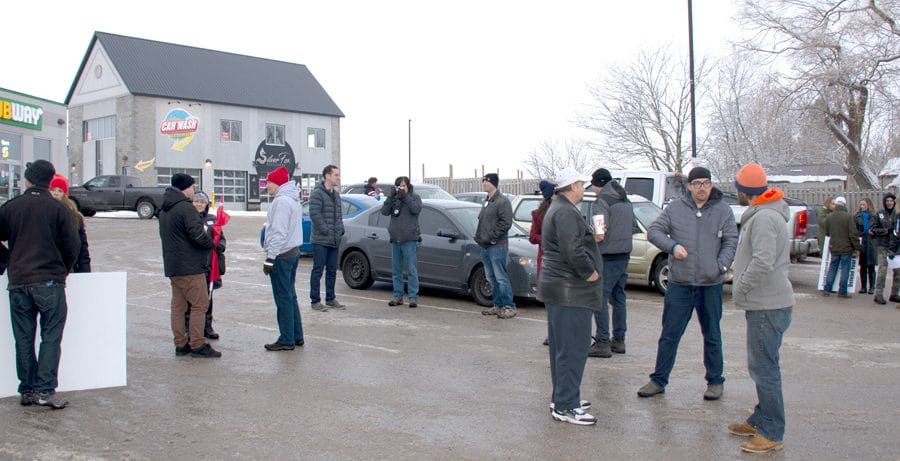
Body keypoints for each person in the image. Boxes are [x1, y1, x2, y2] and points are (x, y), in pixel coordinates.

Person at [639, 166, 738, 401]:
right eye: (696, 184)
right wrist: (672, 247)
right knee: (669, 334)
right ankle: (658, 380)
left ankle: (715, 381)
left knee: (712, 334)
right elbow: (654, 231)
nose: (701, 188)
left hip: (710, 284)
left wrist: (720, 266)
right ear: (689, 187)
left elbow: (731, 241)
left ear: (711, 185)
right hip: (680, 283)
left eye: (705, 183)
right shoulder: (675, 208)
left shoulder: (723, 210)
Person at [0, 160, 81, 409]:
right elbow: (73, 246)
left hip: (19, 282)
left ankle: (28, 390)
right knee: (50, 337)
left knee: (23, 339)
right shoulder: (58, 210)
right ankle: (45, 390)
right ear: (49, 182)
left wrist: (7, 261)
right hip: (49, 282)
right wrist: (62, 270)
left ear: (27, 180)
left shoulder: (10, 207)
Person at [727, 163, 793, 454]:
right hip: (766, 303)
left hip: (768, 304)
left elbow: (763, 261)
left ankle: (771, 431)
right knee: (763, 365)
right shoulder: (766, 212)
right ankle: (761, 418)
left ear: (745, 191)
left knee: (765, 369)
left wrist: (740, 286)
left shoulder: (765, 217)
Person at [540, 168, 602, 426]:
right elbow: (571, 248)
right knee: (573, 350)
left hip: (560, 289)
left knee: (562, 348)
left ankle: (563, 397)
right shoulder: (565, 211)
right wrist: (589, 272)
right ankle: (566, 405)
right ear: (573, 186)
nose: (584, 188)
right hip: (570, 290)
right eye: (581, 184)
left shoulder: (559, 207)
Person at [158, 173, 219, 358]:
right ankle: (197, 343)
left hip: (173, 265)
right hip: (190, 266)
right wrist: (211, 244)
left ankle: (180, 343)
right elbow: (197, 235)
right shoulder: (185, 208)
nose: (194, 190)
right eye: (192, 187)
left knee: (178, 306)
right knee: (200, 304)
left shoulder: (165, 209)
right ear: (185, 187)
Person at [587, 168, 633, 358]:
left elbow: (599, 234)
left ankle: (602, 341)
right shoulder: (625, 199)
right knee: (619, 297)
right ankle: (619, 339)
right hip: (624, 254)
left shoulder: (602, 202)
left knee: (600, 298)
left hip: (607, 255)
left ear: (598, 184)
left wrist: (589, 234)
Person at [262, 166, 304, 351]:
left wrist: (270, 258)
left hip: (282, 255)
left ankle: (287, 338)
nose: (267, 186)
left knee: (283, 297)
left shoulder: (282, 202)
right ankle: (296, 335)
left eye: (269, 182)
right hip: (293, 252)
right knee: (290, 296)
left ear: (277, 182)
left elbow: (278, 232)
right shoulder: (293, 200)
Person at [475, 173, 515, 319]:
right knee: (491, 277)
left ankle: (509, 306)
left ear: (494, 183)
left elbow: (506, 223)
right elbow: (482, 222)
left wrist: (492, 237)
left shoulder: (502, 201)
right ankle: (497, 305)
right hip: (485, 245)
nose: (484, 183)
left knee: (500, 277)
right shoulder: (486, 201)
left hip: (497, 245)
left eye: (487, 181)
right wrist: (480, 237)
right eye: (483, 180)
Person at [186, 191, 225, 340]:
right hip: (194, 265)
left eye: (202, 202)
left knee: (208, 297)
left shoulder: (212, 220)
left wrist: (220, 246)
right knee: (193, 299)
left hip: (210, 265)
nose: (199, 204)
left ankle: (207, 326)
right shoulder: (188, 219)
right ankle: (191, 327)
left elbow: (221, 237)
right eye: (196, 201)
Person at [381, 176, 422, 307]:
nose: (402, 188)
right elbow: (384, 212)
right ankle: (397, 296)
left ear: (408, 186)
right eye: (399, 186)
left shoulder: (414, 197)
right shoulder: (395, 199)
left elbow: (416, 209)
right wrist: (390, 197)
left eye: (404, 186)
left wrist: (405, 197)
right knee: (396, 270)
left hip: (409, 239)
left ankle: (413, 297)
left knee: (411, 269)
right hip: (395, 239)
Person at [309, 164, 345, 311]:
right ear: (328, 176)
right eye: (336, 175)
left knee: (332, 270)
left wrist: (340, 230)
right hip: (321, 239)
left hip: (334, 240)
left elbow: (339, 216)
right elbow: (315, 214)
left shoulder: (336, 195)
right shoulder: (317, 193)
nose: (338, 177)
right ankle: (315, 301)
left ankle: (330, 298)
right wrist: (326, 230)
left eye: (338, 175)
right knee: (318, 270)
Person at [49, 174, 91, 273]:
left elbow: (82, 248)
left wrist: (84, 270)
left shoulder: (74, 216)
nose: (56, 193)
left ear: (65, 194)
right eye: (53, 190)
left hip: (68, 267)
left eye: (60, 191)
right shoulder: (42, 212)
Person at [531, 180, 555, 346]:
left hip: (559, 260)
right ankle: (551, 333)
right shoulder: (538, 214)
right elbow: (533, 237)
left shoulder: (564, 211)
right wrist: (547, 240)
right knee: (550, 299)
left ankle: (556, 332)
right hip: (546, 259)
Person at [822, 196, 860, 298]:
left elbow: (827, 232)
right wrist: (857, 248)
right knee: (845, 269)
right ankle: (842, 292)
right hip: (846, 248)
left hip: (834, 246)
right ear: (844, 204)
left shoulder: (829, 217)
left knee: (832, 268)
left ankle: (827, 289)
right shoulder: (848, 217)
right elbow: (853, 234)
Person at [871, 192, 898, 305]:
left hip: (896, 247)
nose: (889, 202)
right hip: (883, 245)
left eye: (891, 200)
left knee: (898, 272)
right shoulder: (879, 214)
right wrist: (887, 231)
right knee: (882, 271)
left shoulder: (898, 214)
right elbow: (873, 230)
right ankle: (878, 294)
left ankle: (894, 293)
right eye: (887, 201)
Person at [854, 198, 877, 295]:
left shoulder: (874, 216)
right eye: (860, 204)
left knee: (871, 266)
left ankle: (872, 287)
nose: (861, 206)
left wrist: (874, 232)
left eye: (863, 204)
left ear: (868, 205)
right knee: (863, 265)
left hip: (871, 242)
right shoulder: (857, 217)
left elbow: (878, 228)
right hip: (862, 241)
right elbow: (854, 230)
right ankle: (863, 287)